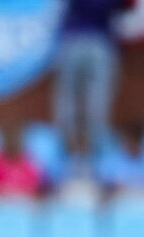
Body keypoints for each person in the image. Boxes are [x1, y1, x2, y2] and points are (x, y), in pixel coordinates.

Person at [53, 0, 136, 161]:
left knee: (90, 101)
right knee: (77, 100)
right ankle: (71, 153)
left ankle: (91, 154)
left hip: (87, 40)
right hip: (84, 41)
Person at [0, 126, 44, 199]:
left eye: (15, 141)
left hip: (23, 205)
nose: (12, 144)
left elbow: (37, 188)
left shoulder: (28, 163)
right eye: (10, 141)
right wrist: (4, 190)